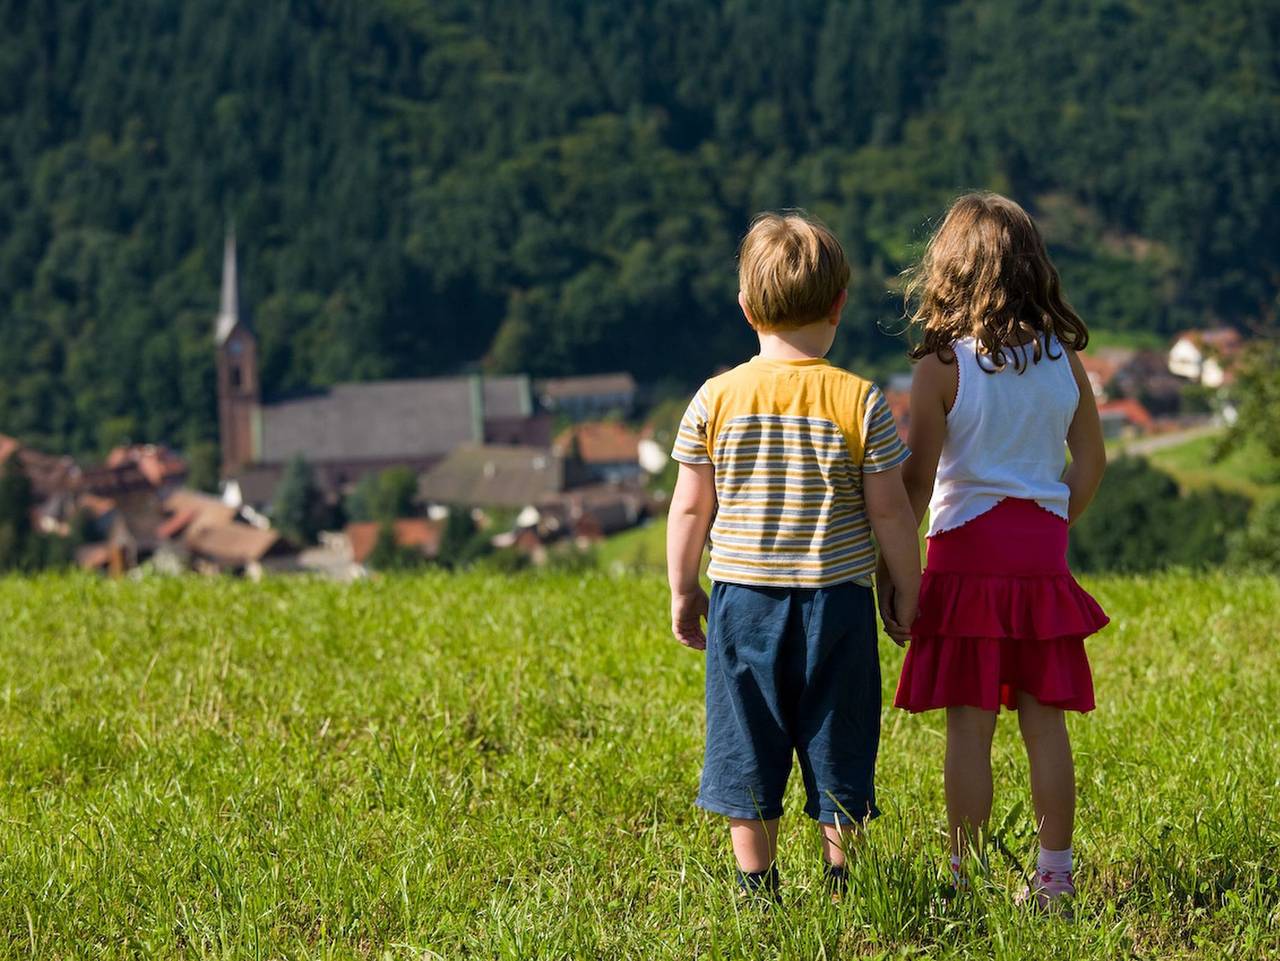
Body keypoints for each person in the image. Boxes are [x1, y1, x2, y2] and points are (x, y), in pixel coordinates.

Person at [666, 211, 921, 901]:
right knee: (838, 739)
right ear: (840, 303)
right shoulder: (859, 400)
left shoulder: (714, 399)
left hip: (742, 600)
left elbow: (690, 506)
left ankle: (758, 893)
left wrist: (683, 589)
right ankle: (845, 885)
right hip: (836, 600)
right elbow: (891, 510)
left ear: (746, 308)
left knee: (745, 741)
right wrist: (906, 588)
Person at [882, 192, 1110, 909]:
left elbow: (917, 480)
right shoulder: (1063, 360)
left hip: (963, 558)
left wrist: (899, 571)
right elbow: (1092, 459)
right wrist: (1051, 516)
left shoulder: (941, 364)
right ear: (1032, 266)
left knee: (969, 726)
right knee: (1046, 724)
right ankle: (1054, 874)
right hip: (1039, 556)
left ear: (948, 268)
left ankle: (963, 879)